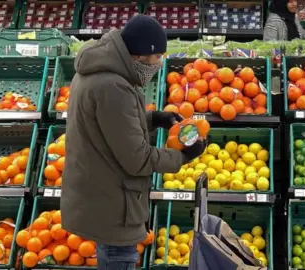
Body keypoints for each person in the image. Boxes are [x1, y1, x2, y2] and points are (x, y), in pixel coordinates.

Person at [61, 14, 206, 269]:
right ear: (139, 56)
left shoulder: (97, 72)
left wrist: (152, 119)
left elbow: (107, 125)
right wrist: (183, 156)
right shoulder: (114, 87)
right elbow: (137, 159)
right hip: (113, 202)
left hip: (100, 192)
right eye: (157, 57)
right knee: (119, 257)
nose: (159, 63)